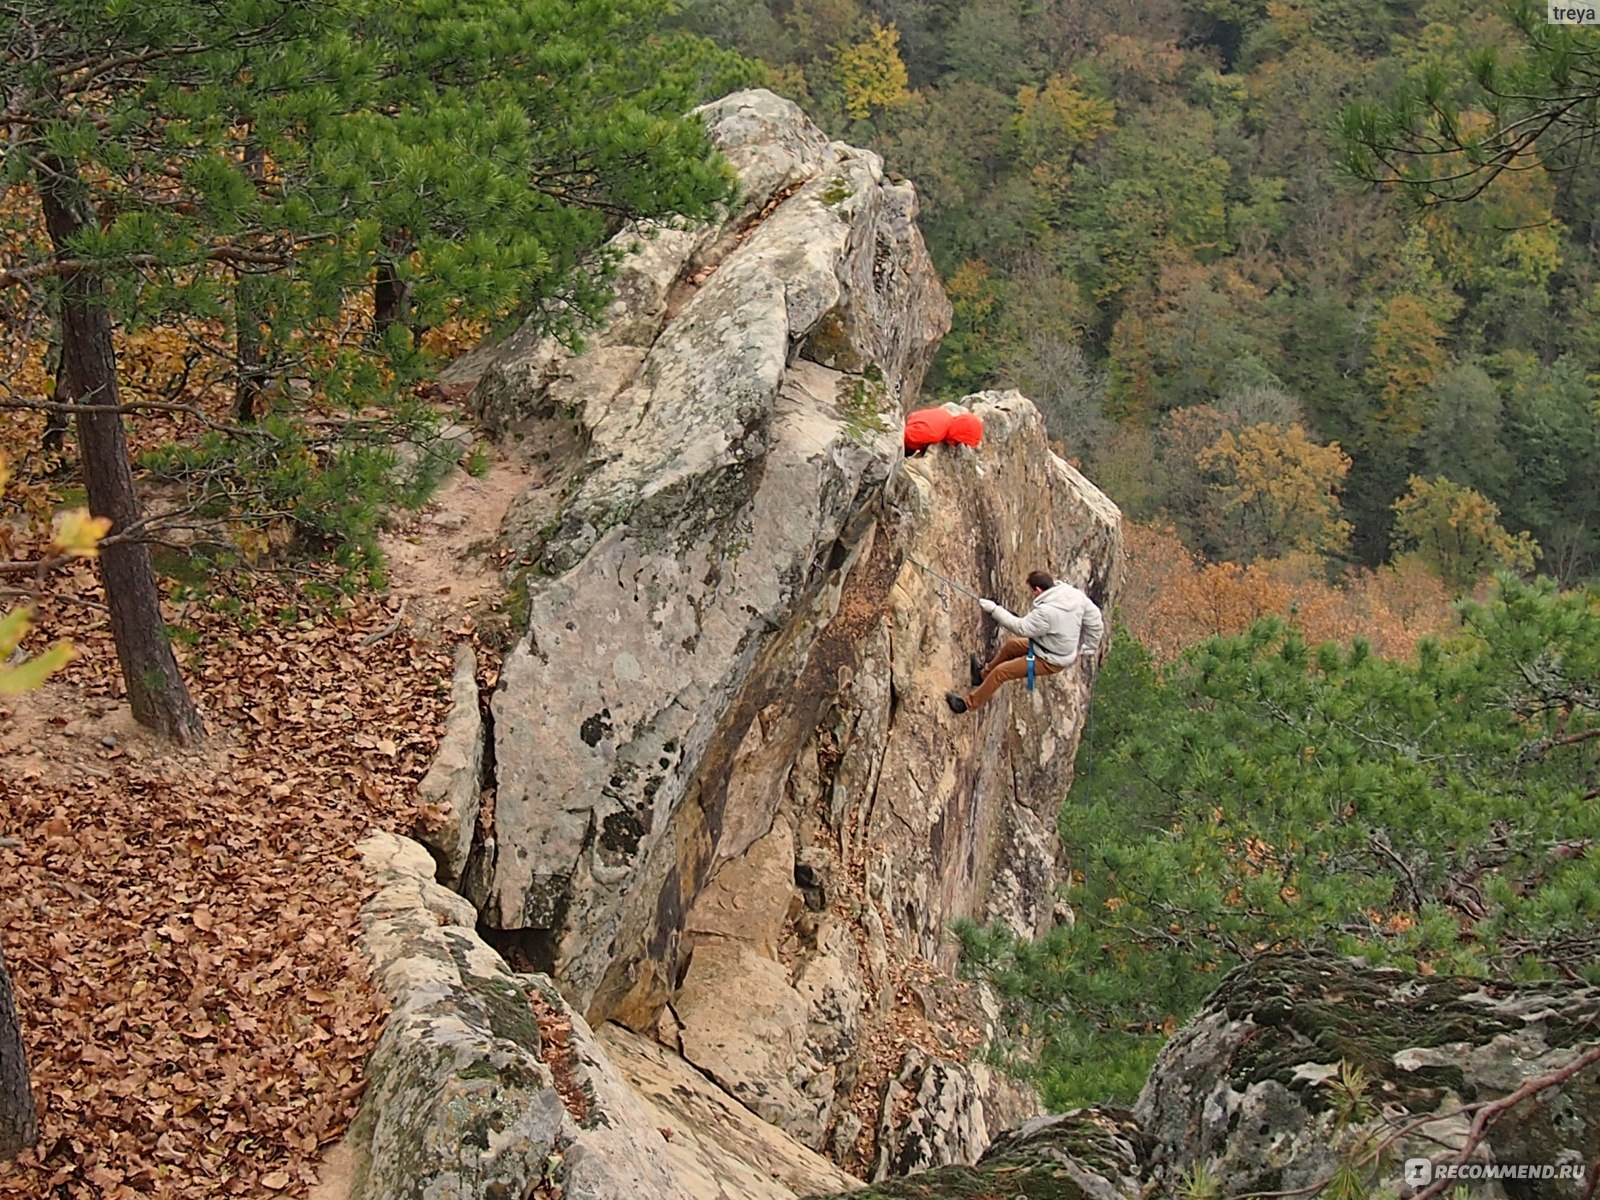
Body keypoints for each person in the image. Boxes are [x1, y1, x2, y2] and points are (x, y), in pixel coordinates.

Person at [946, 570, 1103, 714]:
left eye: (1031, 591)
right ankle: (981, 676)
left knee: (1001, 672)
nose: (1030, 595)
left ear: (1038, 590)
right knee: (1012, 646)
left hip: (1050, 659)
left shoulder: (1047, 613)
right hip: (1048, 646)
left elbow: (1021, 628)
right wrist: (1090, 645)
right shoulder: (1072, 594)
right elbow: (1095, 619)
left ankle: (967, 705)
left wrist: (994, 610)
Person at [904, 407, 983, 455]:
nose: (958, 445)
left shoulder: (944, 414)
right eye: (962, 442)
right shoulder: (934, 434)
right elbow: (904, 437)